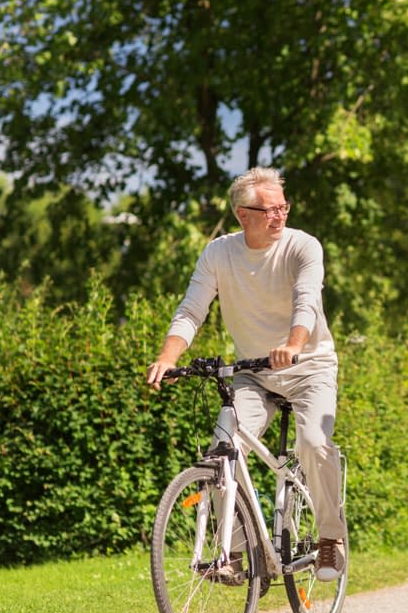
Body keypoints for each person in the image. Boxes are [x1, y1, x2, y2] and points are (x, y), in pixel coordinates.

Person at [147, 166, 346, 582]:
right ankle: (232, 552)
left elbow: (306, 300)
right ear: (243, 214)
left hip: (309, 366)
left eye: (283, 207)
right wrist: (167, 356)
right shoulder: (219, 253)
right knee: (223, 447)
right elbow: (191, 309)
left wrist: (293, 344)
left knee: (313, 442)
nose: (279, 216)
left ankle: (331, 537)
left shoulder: (303, 246)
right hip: (253, 373)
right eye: (269, 209)